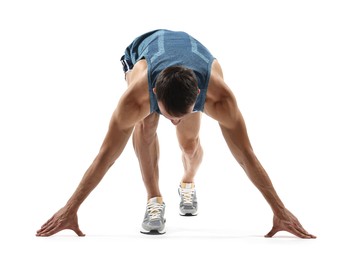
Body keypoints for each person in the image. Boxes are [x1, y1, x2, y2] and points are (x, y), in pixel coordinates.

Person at [36, 29, 316, 238]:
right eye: (168, 114)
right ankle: (154, 199)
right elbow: (105, 156)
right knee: (145, 124)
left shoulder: (219, 97)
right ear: (155, 94)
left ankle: (187, 182)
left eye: (179, 116)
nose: (172, 122)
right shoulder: (137, 97)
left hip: (192, 66)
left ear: (198, 98)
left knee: (190, 144)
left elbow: (246, 156)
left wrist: (279, 210)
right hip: (144, 50)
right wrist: (71, 208)